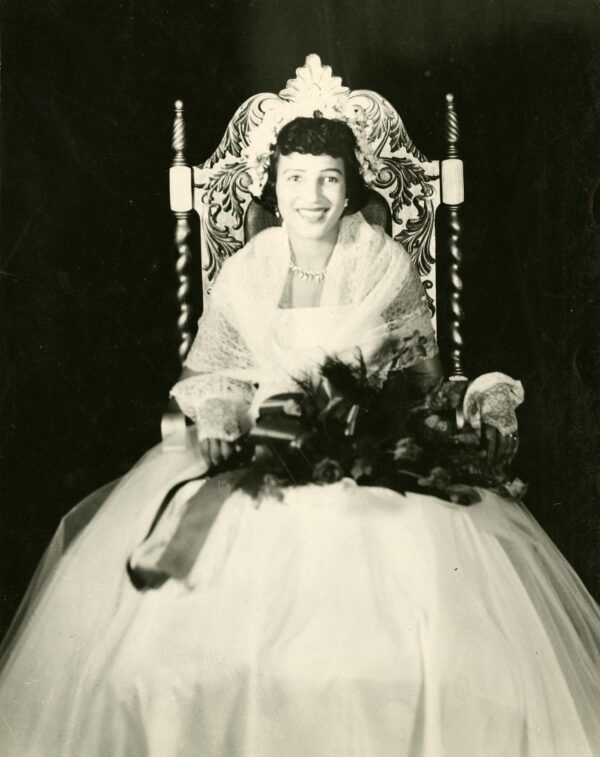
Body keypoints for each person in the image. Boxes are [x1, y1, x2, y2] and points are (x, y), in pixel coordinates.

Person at [0, 114, 599, 757]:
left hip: (365, 457)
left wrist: (477, 399)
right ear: (273, 187)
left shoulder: (383, 261)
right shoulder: (248, 269)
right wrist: (224, 420)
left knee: (422, 648)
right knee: (165, 657)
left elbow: (422, 378)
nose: (311, 196)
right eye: (295, 179)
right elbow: (212, 373)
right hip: (264, 447)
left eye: (328, 180)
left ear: (351, 190)